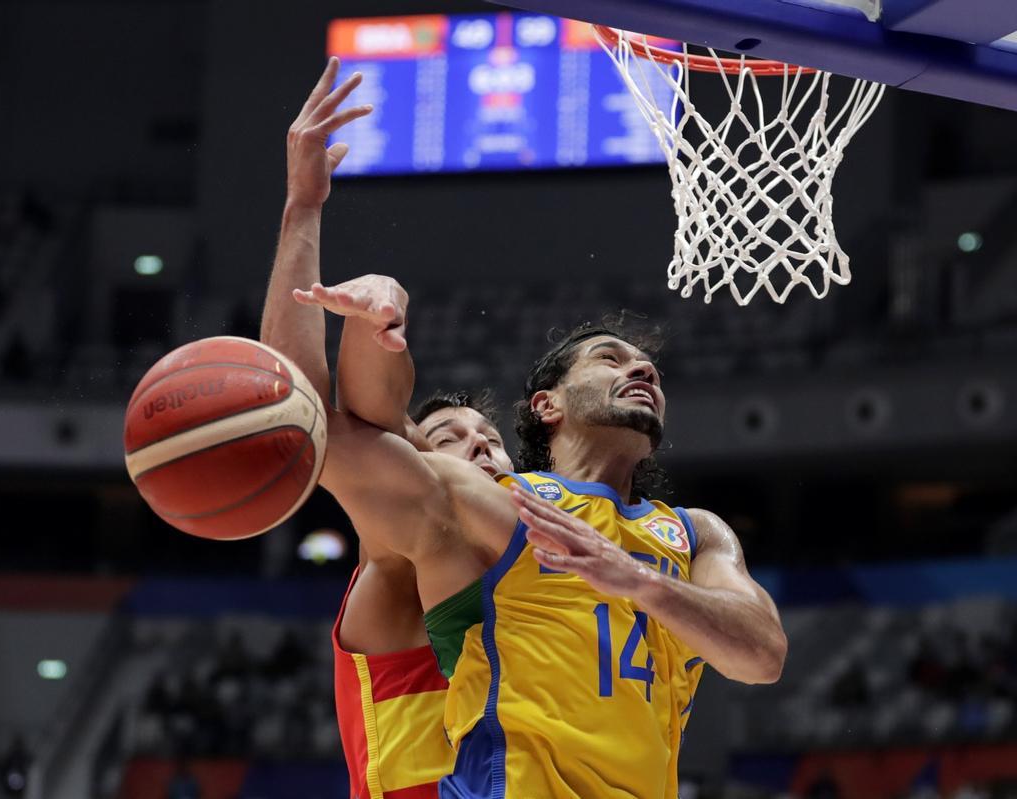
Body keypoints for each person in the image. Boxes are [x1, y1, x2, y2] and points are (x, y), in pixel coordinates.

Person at [263, 61, 787, 798]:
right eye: (611, 357)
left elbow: (763, 654)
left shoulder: (695, 533)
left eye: (649, 366)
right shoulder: (492, 512)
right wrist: (315, 223)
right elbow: (314, 423)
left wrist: (634, 578)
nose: (642, 370)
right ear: (547, 403)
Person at [258, 59, 515, 798]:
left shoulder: (544, 551)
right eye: (450, 438)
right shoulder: (401, 558)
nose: (481, 445)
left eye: (488, 437)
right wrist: (306, 211)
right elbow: (311, 411)